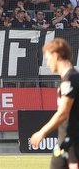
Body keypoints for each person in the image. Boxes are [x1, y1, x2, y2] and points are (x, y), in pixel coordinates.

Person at [31, 38, 79, 168]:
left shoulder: (71, 79)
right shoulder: (67, 79)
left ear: (56, 55)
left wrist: (42, 132)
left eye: (48, 58)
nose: (47, 63)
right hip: (64, 143)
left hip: (74, 143)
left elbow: (63, 113)